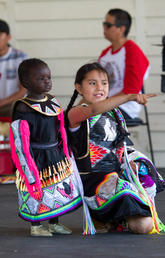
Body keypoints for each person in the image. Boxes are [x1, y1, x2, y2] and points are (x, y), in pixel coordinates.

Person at [65, 62, 165, 234]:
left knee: (144, 226)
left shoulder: (114, 113)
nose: (100, 87)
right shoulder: (75, 113)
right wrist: (128, 97)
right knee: (122, 193)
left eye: (104, 83)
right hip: (93, 181)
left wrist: (131, 165)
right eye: (92, 83)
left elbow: (119, 148)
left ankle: (117, 220)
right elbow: (94, 109)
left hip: (116, 176)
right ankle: (100, 215)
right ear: (78, 88)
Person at [9, 58, 82, 237]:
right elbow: (20, 140)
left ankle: (54, 223)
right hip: (35, 156)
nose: (47, 80)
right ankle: (36, 225)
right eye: (40, 78)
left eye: (48, 77)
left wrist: (65, 150)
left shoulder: (52, 101)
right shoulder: (23, 108)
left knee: (55, 189)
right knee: (36, 190)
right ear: (25, 82)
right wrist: (27, 164)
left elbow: (61, 129)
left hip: (54, 154)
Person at [99, 8, 150, 122]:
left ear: (121, 29)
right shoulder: (105, 53)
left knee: (90, 118)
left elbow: (131, 90)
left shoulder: (133, 51)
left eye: (108, 25)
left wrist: (101, 103)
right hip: (104, 105)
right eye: (104, 24)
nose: (104, 28)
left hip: (125, 107)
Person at [0, 19, 28, 117]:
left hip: (13, 106)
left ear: (8, 37)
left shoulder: (20, 57)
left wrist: (2, 103)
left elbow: (23, 90)